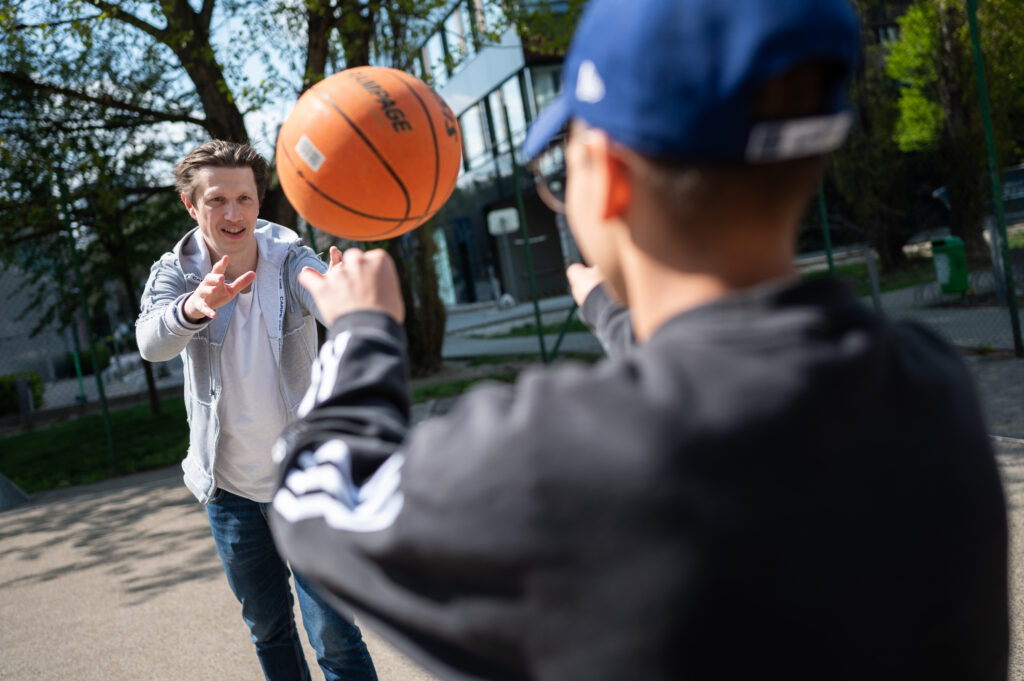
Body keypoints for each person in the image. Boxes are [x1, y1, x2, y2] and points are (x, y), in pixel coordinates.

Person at [267, 0, 1009, 679]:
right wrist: (618, 320)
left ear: (611, 178)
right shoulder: (929, 384)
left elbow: (313, 501)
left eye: (562, 168)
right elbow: (722, 393)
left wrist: (364, 331)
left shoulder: (554, 456)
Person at [135, 140, 376, 681]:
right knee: (268, 630)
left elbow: (318, 287)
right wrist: (195, 308)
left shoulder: (289, 255)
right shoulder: (176, 270)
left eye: (244, 198)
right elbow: (151, 342)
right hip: (232, 491)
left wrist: (340, 298)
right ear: (190, 205)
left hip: (307, 481)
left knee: (335, 634)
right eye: (217, 200)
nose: (233, 213)